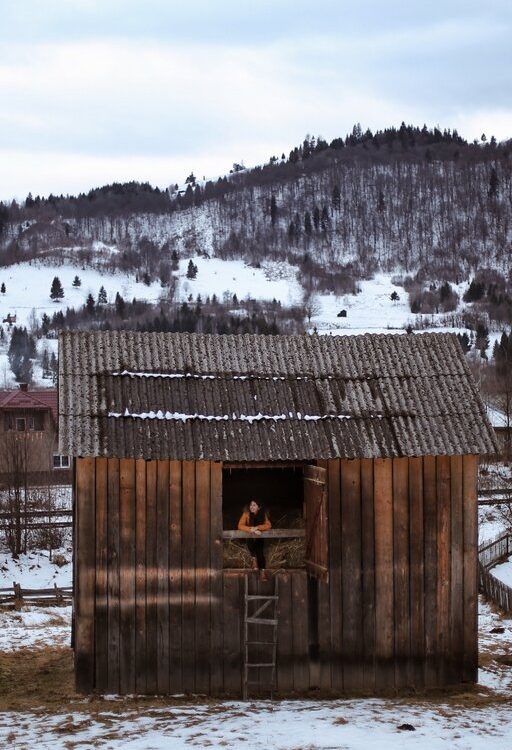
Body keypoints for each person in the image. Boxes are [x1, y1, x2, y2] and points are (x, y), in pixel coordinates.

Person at [238, 499, 271, 576]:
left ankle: (262, 571)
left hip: (259, 536)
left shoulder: (263, 514)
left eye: (254, 505)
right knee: (249, 542)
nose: (251, 507)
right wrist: (252, 529)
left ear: (258, 507)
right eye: (251, 505)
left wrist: (257, 527)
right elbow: (240, 525)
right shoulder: (246, 514)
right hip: (250, 534)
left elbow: (268, 525)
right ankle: (254, 559)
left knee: (259, 551)